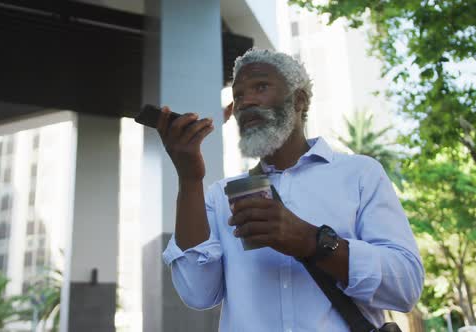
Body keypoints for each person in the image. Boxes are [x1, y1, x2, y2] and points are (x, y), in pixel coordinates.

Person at [158, 48, 424, 331]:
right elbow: (197, 294)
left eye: (260, 86)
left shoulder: (360, 174)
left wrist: (312, 241)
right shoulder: (219, 195)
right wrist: (189, 180)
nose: (245, 101)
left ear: (299, 100)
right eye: (238, 96)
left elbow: (405, 287)